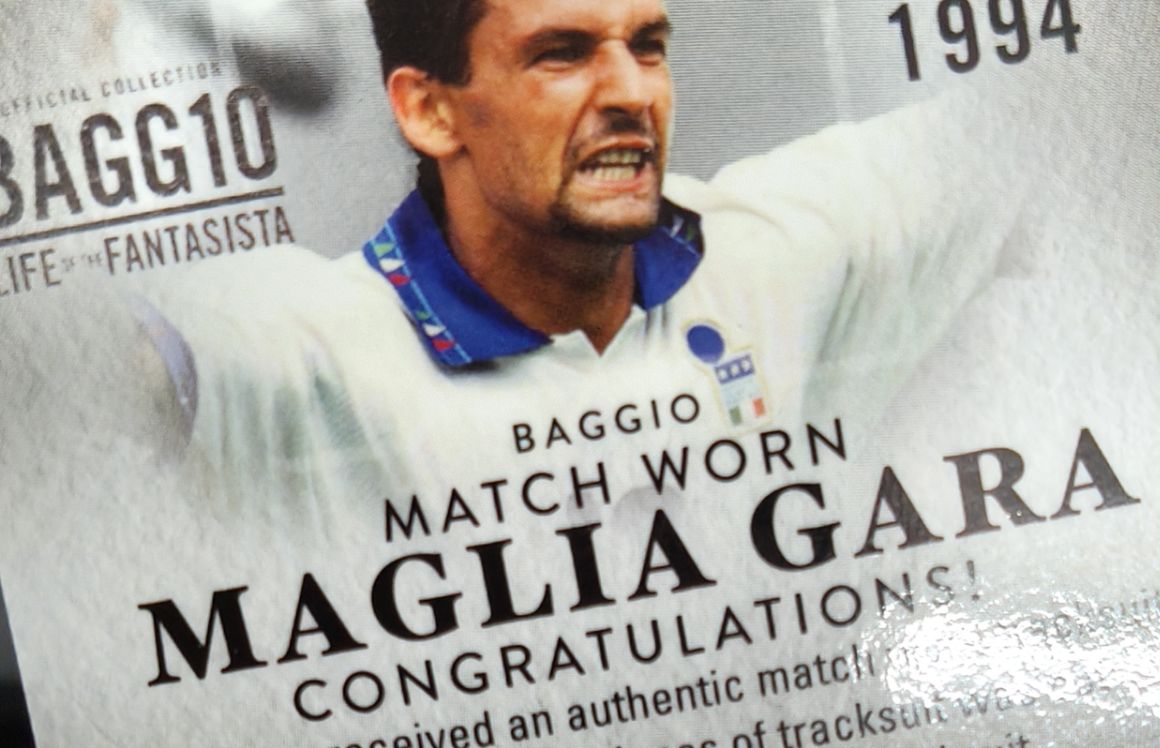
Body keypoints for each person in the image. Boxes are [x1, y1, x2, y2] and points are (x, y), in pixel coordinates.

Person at [108, 0, 1039, 526]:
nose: (633, 93)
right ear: (430, 110)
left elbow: (1053, 137)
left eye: (648, 47)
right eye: (562, 56)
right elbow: (95, 372)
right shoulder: (304, 350)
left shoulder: (769, 248)